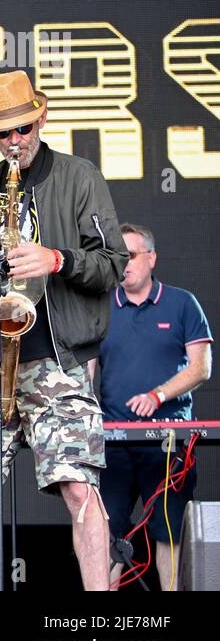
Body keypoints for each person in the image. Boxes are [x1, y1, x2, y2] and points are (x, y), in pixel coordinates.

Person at [0, 70, 129, 590]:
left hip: (60, 360)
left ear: (41, 117)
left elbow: (114, 263)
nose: (14, 141)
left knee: (79, 490)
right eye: (2, 133)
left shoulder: (79, 176)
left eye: (22, 128)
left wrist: (56, 258)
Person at [100, 223, 212, 590]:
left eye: (131, 255)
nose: (124, 263)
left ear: (151, 258)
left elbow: (201, 367)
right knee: (106, 532)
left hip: (167, 444)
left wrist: (157, 396)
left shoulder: (182, 303)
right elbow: (83, 373)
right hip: (112, 445)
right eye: (118, 256)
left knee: (168, 531)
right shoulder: (100, 308)